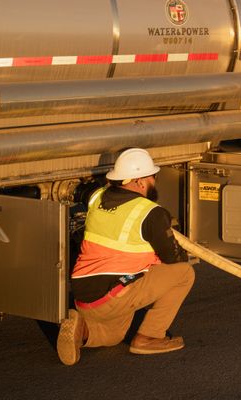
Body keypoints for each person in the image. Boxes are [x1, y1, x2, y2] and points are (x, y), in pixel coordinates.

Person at [57, 148, 195, 366]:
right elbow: (174, 259)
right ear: (140, 181)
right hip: (113, 296)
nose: (154, 181)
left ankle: (81, 330)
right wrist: (171, 235)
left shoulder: (99, 197)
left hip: (84, 298)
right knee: (184, 274)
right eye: (153, 176)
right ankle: (149, 337)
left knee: (114, 336)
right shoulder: (150, 212)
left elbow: (88, 193)